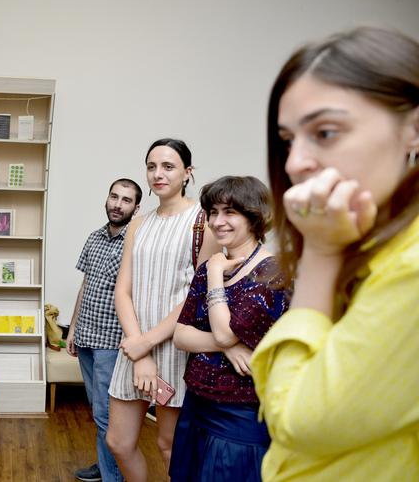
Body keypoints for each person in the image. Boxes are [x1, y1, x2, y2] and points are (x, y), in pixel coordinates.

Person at [249, 27, 419, 481]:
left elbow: (293, 419)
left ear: (414, 130)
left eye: (325, 132)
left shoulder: (412, 267)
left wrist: (320, 253)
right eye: (288, 140)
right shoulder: (371, 242)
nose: (293, 163)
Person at [106, 139, 220, 481]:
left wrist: (148, 344)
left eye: (168, 167)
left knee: (170, 445)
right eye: (152, 166)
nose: (158, 174)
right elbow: (122, 291)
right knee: (119, 442)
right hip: (135, 344)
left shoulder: (204, 224)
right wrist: (139, 350)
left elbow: (194, 297)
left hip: (176, 347)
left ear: (187, 173)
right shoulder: (138, 225)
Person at [170, 176, 291, 481]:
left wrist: (213, 273)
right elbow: (181, 335)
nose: (217, 221)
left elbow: (224, 331)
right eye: (213, 212)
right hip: (197, 405)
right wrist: (229, 345)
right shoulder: (212, 266)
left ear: (254, 216)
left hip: (240, 415)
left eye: (229, 212)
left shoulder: (271, 273)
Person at [67, 178, 142, 482]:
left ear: (137, 208)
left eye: (126, 200)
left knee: (106, 416)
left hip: (112, 342)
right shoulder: (94, 238)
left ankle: (113, 476)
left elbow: (137, 294)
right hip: (85, 336)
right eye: (114, 197)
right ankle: (105, 464)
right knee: (98, 412)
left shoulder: (137, 242)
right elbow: (86, 286)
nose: (117, 204)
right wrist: (72, 329)